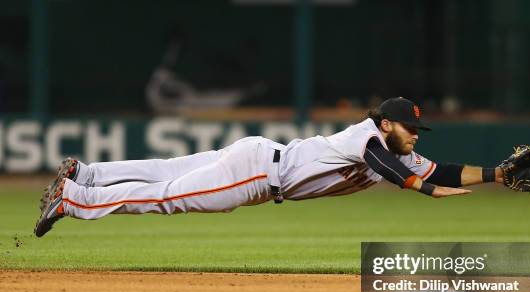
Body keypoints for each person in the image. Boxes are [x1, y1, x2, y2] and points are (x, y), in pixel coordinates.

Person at [35, 97, 502, 237]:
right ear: (386, 123)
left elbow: (442, 170)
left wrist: (497, 175)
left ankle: (88, 173)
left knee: (165, 171)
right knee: (166, 195)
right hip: (260, 175)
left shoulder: (399, 153)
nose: (414, 136)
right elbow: (383, 162)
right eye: (408, 128)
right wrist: (421, 187)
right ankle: (75, 198)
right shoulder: (371, 138)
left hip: (260, 157)